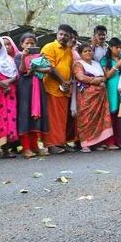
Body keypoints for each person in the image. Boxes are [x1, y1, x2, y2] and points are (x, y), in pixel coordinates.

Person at [72, 43, 115, 152]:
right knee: (86, 118)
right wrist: (94, 81)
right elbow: (80, 76)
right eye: (85, 51)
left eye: (90, 51)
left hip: (100, 96)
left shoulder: (96, 64)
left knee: (98, 119)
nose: (88, 53)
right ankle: (85, 143)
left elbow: (104, 77)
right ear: (80, 54)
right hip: (86, 96)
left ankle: (96, 143)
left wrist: (101, 80)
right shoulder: (78, 64)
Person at [42, 24, 75, 154]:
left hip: (64, 89)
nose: (63, 37)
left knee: (62, 118)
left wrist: (69, 82)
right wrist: (62, 81)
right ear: (57, 34)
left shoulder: (68, 50)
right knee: (52, 117)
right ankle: (51, 144)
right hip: (52, 88)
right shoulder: (49, 47)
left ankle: (61, 142)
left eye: (66, 35)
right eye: (61, 34)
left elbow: (70, 67)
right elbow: (50, 67)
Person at [16, 33, 50, 158]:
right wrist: (24, 56)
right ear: (21, 45)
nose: (29, 45)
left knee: (36, 117)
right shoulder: (18, 56)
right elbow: (21, 71)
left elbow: (48, 69)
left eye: (32, 43)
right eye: (27, 43)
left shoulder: (38, 57)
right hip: (25, 89)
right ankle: (26, 148)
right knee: (25, 116)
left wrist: (40, 61)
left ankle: (35, 146)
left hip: (37, 88)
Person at [101, 37, 121, 146]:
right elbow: (106, 75)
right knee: (112, 114)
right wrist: (117, 65)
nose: (119, 50)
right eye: (117, 47)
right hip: (111, 89)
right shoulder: (105, 60)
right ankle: (111, 142)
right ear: (111, 47)